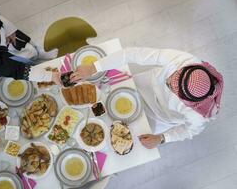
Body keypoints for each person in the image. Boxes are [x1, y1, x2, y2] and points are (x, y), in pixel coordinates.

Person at [70, 47, 224, 149]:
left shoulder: (198, 115)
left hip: (159, 119)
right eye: (172, 78)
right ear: (184, 69)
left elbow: (189, 131)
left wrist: (162, 138)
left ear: (186, 101)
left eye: (170, 87)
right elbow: (131, 53)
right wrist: (93, 67)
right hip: (143, 84)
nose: (167, 81)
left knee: (121, 140)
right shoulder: (183, 60)